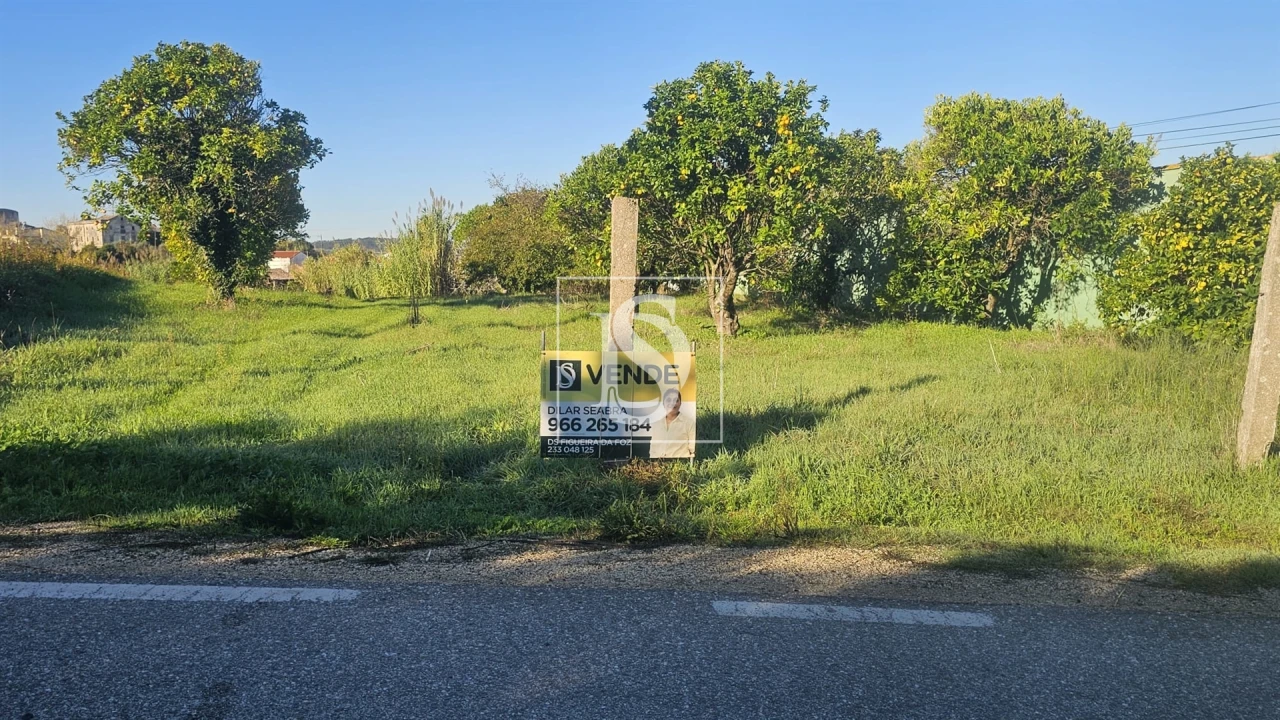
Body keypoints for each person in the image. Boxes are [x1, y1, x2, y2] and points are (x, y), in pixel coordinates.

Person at [648, 388, 694, 459]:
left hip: (680, 465)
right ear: (663, 403)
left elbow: (692, 450)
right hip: (658, 466)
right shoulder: (656, 424)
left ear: (680, 403)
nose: (672, 403)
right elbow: (653, 450)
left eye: (676, 400)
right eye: (668, 400)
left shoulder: (689, 423)